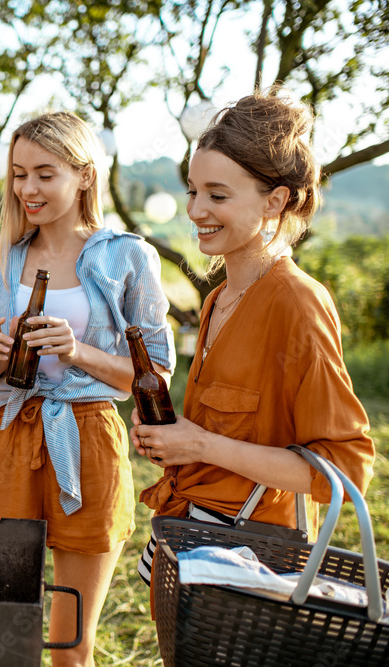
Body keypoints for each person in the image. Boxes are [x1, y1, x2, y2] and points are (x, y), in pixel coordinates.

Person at [133, 88, 374, 585]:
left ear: (276, 200)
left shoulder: (296, 302)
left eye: (218, 196)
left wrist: (199, 445)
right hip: (184, 542)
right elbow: (229, 431)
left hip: (250, 563)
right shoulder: (217, 299)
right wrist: (171, 438)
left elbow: (345, 474)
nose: (197, 210)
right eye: (193, 192)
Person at [0, 111, 175, 665]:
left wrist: (75, 349)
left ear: (84, 175)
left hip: (87, 437)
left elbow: (152, 378)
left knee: (70, 644)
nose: (27, 189)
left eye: (44, 174)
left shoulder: (126, 256)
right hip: (8, 435)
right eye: (18, 174)